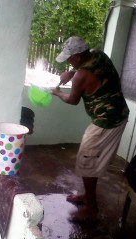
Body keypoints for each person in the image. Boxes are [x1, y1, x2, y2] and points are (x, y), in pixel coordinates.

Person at [51, 36, 129, 221]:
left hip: (106, 121)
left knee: (87, 160)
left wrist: (58, 92)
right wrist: (70, 72)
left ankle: (91, 208)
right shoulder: (97, 54)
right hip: (118, 113)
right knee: (90, 159)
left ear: (77, 56)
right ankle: (87, 196)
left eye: (70, 58)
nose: (69, 61)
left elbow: (72, 100)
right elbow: (83, 67)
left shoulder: (81, 76)